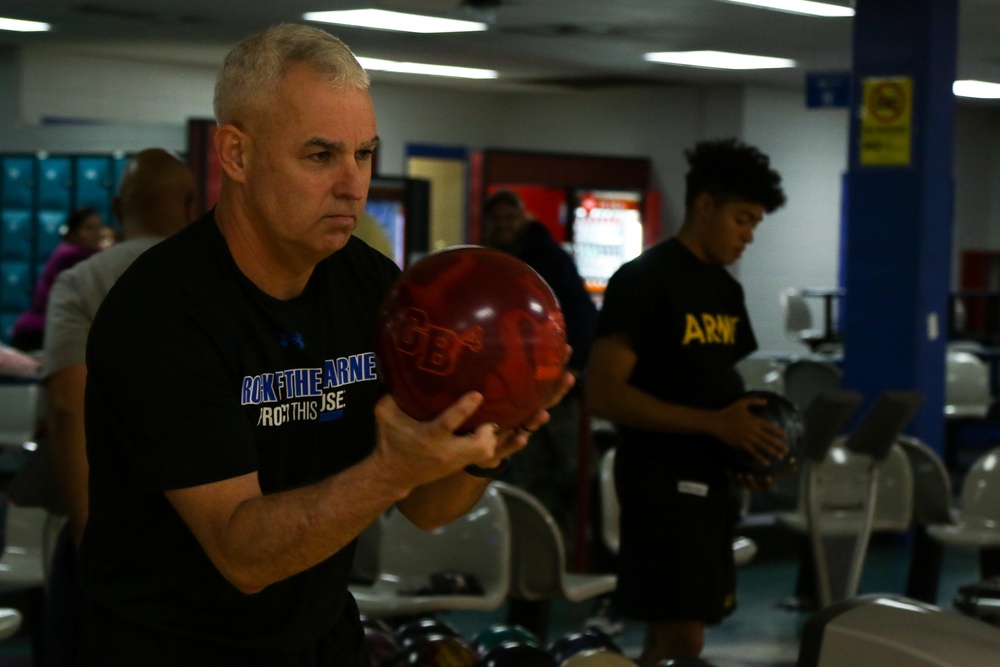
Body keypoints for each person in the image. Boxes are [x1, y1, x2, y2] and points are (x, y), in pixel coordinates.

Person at [77, 24, 571, 666]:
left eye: (364, 153)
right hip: (169, 646)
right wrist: (394, 468)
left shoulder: (376, 290)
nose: (354, 184)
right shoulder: (162, 312)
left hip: (320, 638)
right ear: (237, 155)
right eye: (320, 156)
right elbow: (242, 554)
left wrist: (481, 444)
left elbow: (426, 508)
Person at [584, 138, 788, 665]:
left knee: (672, 638)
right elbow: (603, 393)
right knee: (682, 637)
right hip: (659, 482)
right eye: (742, 219)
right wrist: (715, 426)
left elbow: (714, 385)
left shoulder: (724, 290)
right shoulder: (645, 281)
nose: (748, 236)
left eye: (754, 225)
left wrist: (741, 448)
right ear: (704, 206)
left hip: (708, 482)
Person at [482, 190, 597, 541]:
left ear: (523, 218)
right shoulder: (492, 260)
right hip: (516, 387)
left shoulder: (550, 258)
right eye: (498, 219)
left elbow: (580, 314)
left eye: (510, 218)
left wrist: (574, 367)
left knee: (573, 470)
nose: (505, 226)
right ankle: (537, 555)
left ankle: (573, 548)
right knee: (528, 472)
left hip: (557, 382)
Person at [9, 207, 107, 352]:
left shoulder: (69, 251)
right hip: (41, 330)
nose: (97, 234)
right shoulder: (72, 254)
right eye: (89, 228)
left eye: (99, 227)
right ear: (74, 232)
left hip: (44, 328)